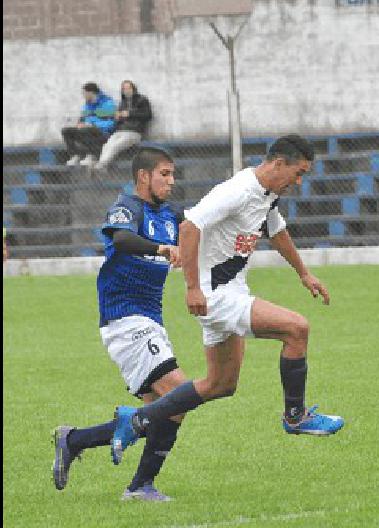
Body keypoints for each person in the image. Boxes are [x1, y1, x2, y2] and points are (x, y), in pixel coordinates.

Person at [110, 135, 344, 465]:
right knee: (296, 329)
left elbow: (276, 232)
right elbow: (190, 226)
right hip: (214, 296)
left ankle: (136, 420)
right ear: (279, 164)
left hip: (231, 291)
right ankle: (296, 415)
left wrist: (304, 274)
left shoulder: (268, 195)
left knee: (220, 384)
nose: (299, 181)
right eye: (298, 172)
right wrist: (192, 287)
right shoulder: (238, 190)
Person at [52, 147, 188, 501]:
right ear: (144, 176)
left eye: (173, 174)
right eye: (164, 174)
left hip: (149, 319)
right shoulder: (127, 206)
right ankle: (137, 482)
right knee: (179, 393)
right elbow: (122, 239)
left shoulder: (171, 214)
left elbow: (202, 224)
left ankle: (78, 442)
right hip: (124, 317)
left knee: (163, 414)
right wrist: (162, 249)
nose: (171, 181)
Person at [95, 80, 153, 172]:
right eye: (124, 89)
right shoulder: (123, 103)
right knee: (107, 145)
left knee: (116, 145)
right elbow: (120, 119)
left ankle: (101, 165)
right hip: (121, 131)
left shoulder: (142, 100)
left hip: (134, 132)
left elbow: (148, 115)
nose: (126, 90)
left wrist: (129, 113)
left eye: (128, 88)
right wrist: (117, 118)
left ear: (133, 89)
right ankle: (102, 166)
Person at [62, 82, 116, 166]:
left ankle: (92, 156)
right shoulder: (87, 104)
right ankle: (75, 155)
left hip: (104, 133)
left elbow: (111, 121)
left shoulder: (107, 102)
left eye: (84, 93)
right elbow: (83, 117)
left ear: (91, 92)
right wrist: (80, 124)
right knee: (66, 131)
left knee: (87, 129)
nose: (83, 95)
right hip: (87, 130)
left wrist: (93, 125)